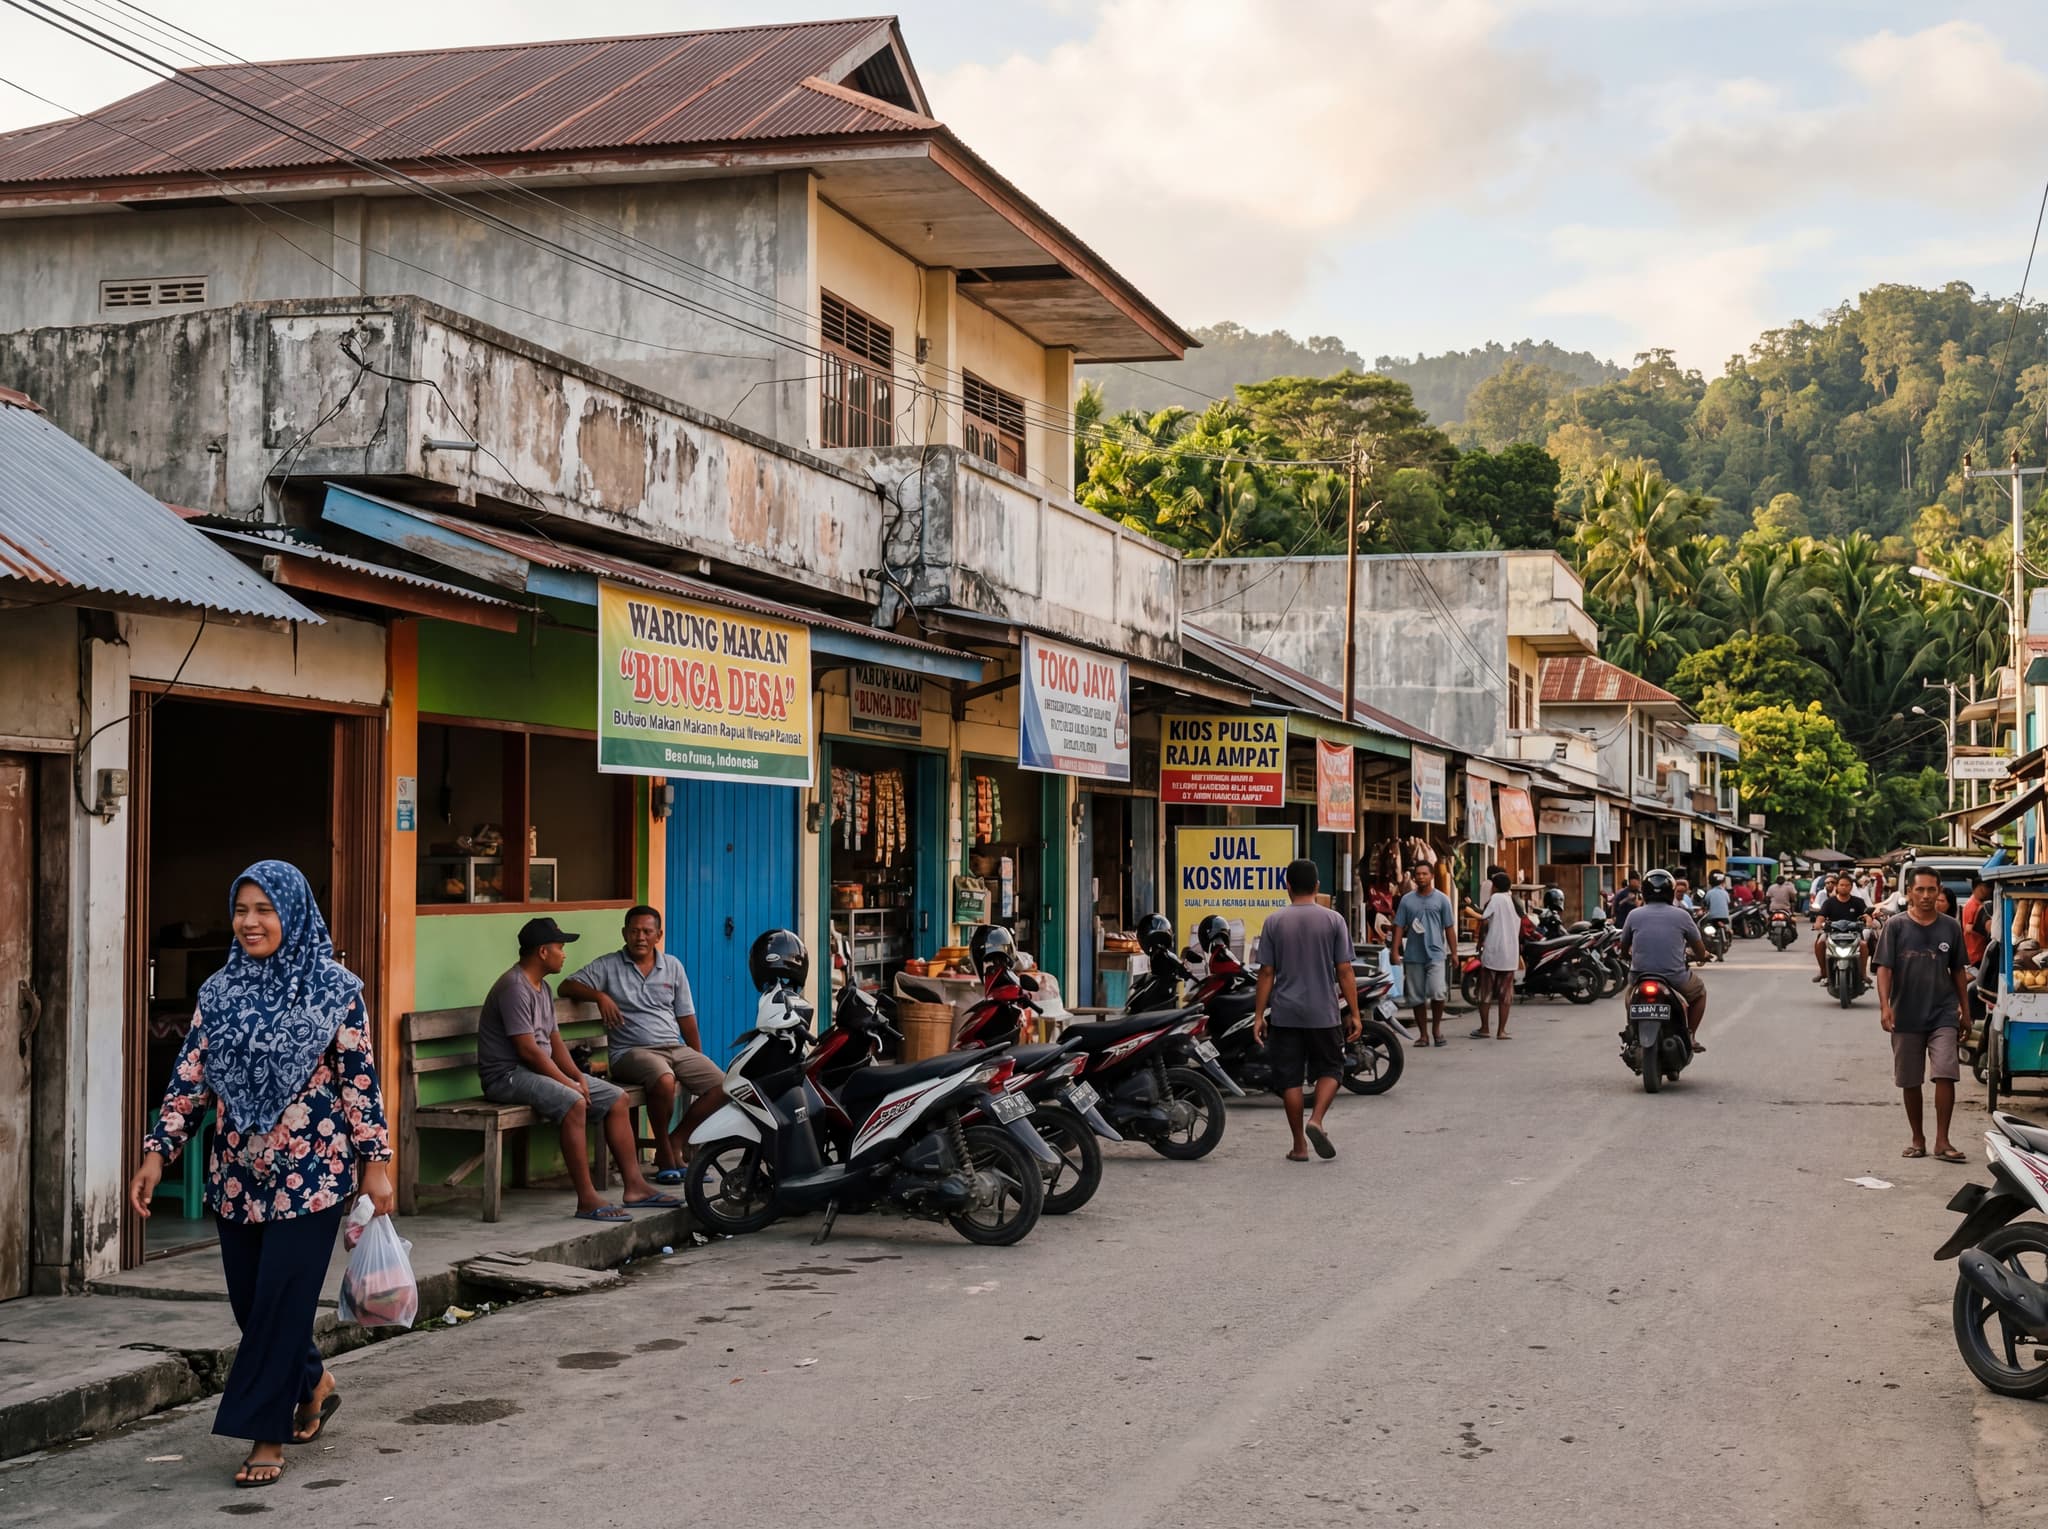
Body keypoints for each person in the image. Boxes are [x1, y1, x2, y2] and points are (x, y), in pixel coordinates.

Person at [126, 861, 394, 1489]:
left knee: (279, 1303)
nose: (250, 923)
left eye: (264, 910)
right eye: (241, 910)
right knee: (253, 1305)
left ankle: (264, 1434)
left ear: (293, 914)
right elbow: (191, 1077)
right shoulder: (219, 991)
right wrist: (157, 1150)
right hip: (237, 1176)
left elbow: (360, 1083)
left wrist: (375, 1166)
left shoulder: (335, 988)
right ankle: (314, 1382)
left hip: (313, 1172)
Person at [478, 917, 680, 1221]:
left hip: (535, 1073)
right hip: (507, 1076)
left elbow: (554, 1042)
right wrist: (569, 1085)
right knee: (573, 1103)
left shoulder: (542, 987)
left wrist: (577, 1077)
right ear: (543, 952)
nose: (564, 953)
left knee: (616, 1098)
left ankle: (636, 1186)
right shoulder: (514, 987)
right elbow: (528, 1050)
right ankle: (587, 1199)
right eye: (560, 947)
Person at [559, 906, 726, 1185]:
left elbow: (686, 1017)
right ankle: (664, 1151)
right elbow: (566, 986)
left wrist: (696, 1056)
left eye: (647, 931)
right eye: (634, 931)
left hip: (674, 1047)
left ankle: (675, 1140)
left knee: (723, 1085)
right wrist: (599, 995)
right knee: (663, 1079)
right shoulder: (608, 965)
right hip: (631, 1053)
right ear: (624, 933)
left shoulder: (673, 965)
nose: (640, 937)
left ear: (658, 935)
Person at [1251, 859, 1361, 1162]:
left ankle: (1299, 1146)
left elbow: (1266, 973)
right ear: (1316, 886)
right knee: (1332, 1068)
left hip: (1286, 1013)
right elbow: (1345, 971)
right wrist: (1355, 1012)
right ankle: (1317, 1120)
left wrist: (1259, 1015)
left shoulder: (1274, 922)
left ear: (1287, 886)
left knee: (1290, 1079)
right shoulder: (1334, 920)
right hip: (1323, 1012)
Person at [1875, 867, 1971, 1163]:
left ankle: (1943, 1141)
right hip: (1906, 1013)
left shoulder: (1950, 927)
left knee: (1945, 1073)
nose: (1927, 896)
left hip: (1942, 1012)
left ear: (1940, 891)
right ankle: (1918, 1138)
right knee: (1910, 1079)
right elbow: (1884, 968)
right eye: (1921, 890)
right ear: (1909, 893)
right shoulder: (1896, 926)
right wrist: (1885, 1006)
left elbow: (1958, 971)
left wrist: (1965, 1011)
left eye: (1932, 890)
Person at [1618, 868, 1710, 1048]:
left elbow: (1623, 948)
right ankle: (1690, 1036)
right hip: (1674, 977)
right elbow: (1699, 949)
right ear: (1671, 891)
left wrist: (1626, 956)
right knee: (1700, 993)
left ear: (1644, 891)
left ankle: (1633, 1031)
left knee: (1630, 998)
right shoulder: (1682, 915)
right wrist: (1702, 956)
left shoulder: (1634, 915)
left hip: (1639, 976)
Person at [1394, 861, 1457, 1048]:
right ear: (1414, 877)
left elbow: (1449, 928)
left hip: (1436, 954)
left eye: (1424, 874)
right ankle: (1423, 1035)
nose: (1421, 877)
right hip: (1414, 955)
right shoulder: (1406, 900)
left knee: (1438, 992)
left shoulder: (1442, 899)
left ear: (1431, 876)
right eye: (1418, 874)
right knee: (1416, 997)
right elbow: (1398, 926)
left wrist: (1454, 953)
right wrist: (1394, 950)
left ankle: (1436, 1029)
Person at [1472, 871, 1519, 1040]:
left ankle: (1485, 1028)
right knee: (1505, 995)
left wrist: (1480, 941)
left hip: (1493, 951)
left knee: (1485, 993)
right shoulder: (1514, 901)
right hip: (1510, 954)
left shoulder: (1496, 899)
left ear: (1496, 886)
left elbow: (1484, 920)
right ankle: (1501, 1031)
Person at [1811, 871, 1871, 985]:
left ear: (1851, 887)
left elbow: (1866, 915)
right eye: (1841, 885)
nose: (1844, 887)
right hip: (1832, 933)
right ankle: (1823, 972)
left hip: (1854, 934)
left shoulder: (1858, 902)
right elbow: (1821, 916)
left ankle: (1863, 974)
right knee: (1820, 943)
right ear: (1837, 887)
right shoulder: (1829, 902)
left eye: (1847, 885)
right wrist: (1818, 924)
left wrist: (1868, 921)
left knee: (1863, 945)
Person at [1962, 877, 1992, 969]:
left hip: (1980, 951)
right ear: (1980, 887)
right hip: (1975, 952)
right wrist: (1986, 930)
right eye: (1988, 887)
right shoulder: (1972, 905)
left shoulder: (1980, 904)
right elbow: (1968, 928)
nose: (1990, 890)